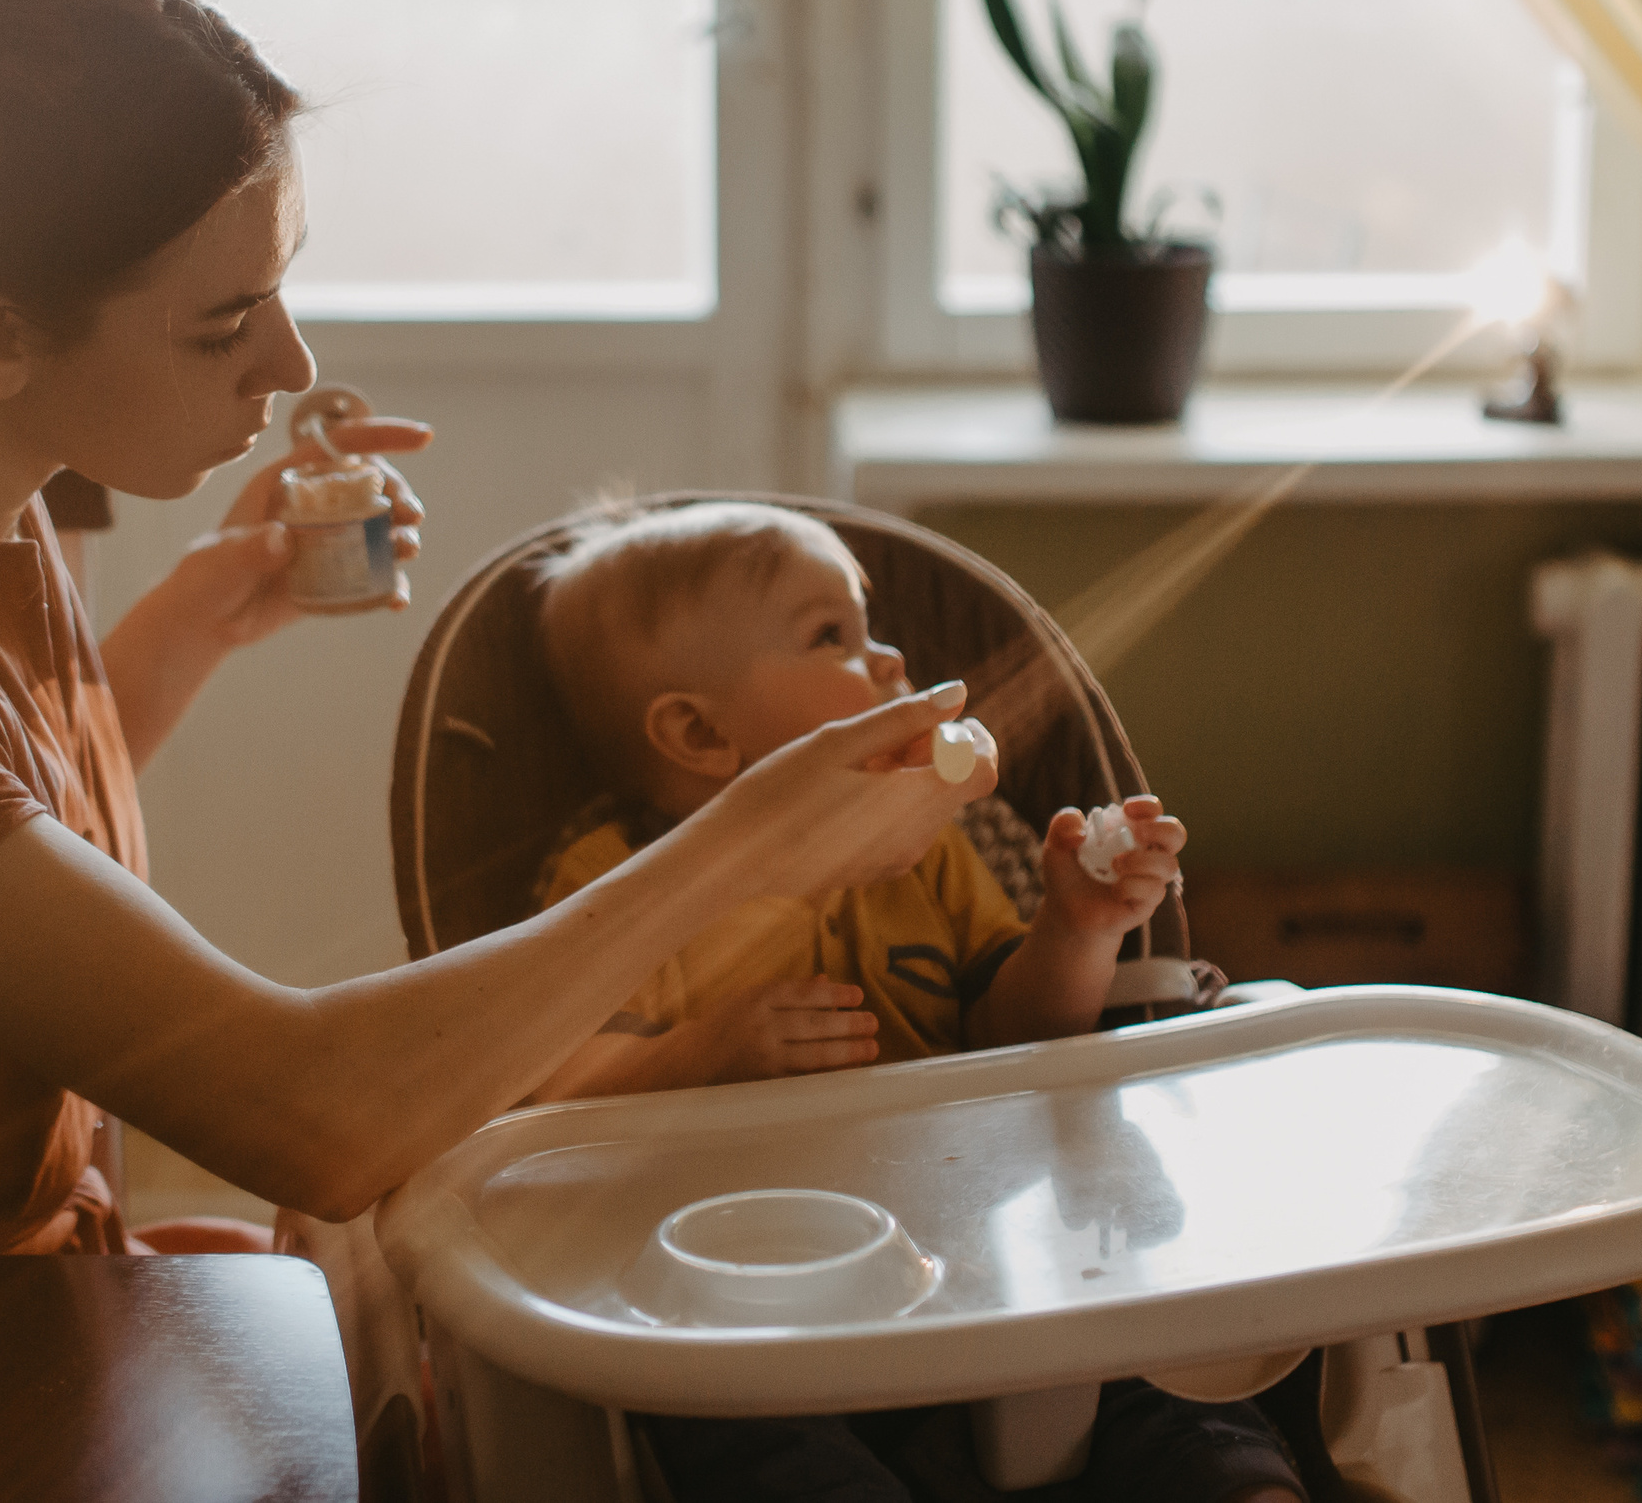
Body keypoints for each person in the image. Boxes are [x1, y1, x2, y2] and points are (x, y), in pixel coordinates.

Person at [0, 0, 976, 1263]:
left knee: (360, 1293)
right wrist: (751, 837)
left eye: (276, 292)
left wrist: (208, 611)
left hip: (16, 1265)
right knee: (375, 1273)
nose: (289, 363)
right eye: (222, 324)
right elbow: (313, 1116)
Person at [527, 502, 1305, 1503]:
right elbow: (547, 1094)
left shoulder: (935, 847)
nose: (890, 659)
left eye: (870, 626)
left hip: (984, 1233)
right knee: (710, 1403)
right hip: (758, 1283)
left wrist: (1076, 927)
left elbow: (1016, 1034)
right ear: (699, 731)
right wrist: (699, 1051)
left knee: (1153, 1335)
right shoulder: (621, 883)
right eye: (832, 636)